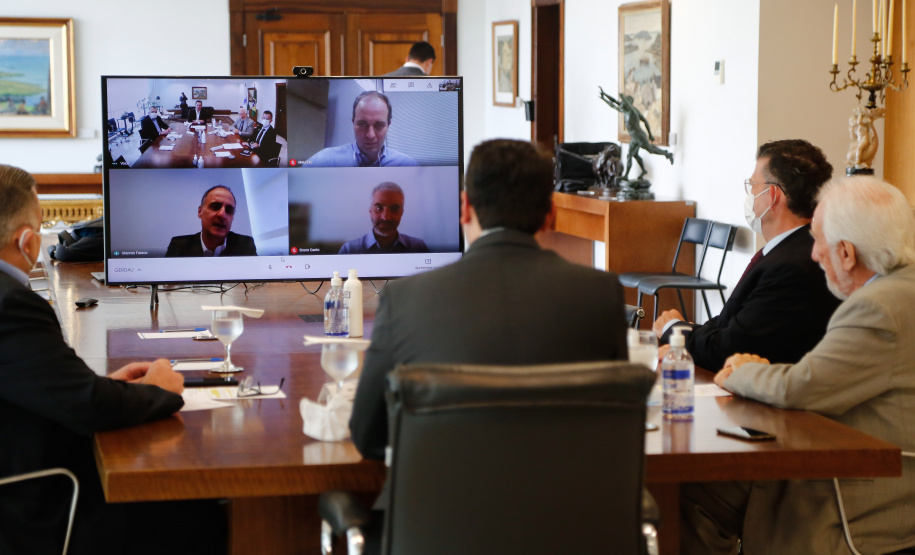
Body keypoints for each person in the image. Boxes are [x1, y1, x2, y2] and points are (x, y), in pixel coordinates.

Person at [350, 139, 630, 553]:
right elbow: (611, 428)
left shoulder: (406, 299)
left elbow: (369, 436)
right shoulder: (603, 295)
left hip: (437, 536)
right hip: (569, 534)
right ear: (551, 214)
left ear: (465, 207)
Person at [682, 176, 915, 554]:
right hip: (851, 457)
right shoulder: (900, 288)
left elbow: (801, 387)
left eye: (819, 241)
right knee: (705, 487)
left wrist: (740, 370)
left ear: (846, 253)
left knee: (690, 492)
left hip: (862, 492)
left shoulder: (878, 308)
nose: (813, 254)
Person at [0, 164, 225, 555]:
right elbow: (86, 407)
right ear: (29, 242)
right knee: (201, 509)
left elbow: (44, 384)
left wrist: (110, 386)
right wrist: (157, 390)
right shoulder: (12, 303)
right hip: (40, 509)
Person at [652, 139, 842, 371]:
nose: (749, 194)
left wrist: (674, 329)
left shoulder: (793, 265)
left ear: (771, 195)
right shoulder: (790, 248)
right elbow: (730, 324)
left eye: (752, 186)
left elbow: (733, 347)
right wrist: (686, 331)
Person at [306, 91, 417, 167]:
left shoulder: (407, 164)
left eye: (379, 125)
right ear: (353, 123)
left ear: (388, 125)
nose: (370, 135)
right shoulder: (326, 159)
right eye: (362, 124)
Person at [166, 185, 257, 257]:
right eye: (215, 206)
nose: (222, 214)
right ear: (200, 211)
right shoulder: (178, 245)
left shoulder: (245, 244)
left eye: (229, 210)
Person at [338, 182, 429, 254]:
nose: (385, 217)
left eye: (394, 209)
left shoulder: (418, 247)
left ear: (402, 212)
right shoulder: (349, 250)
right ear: (370, 211)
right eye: (379, 208)